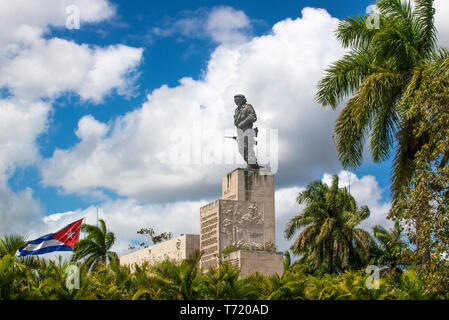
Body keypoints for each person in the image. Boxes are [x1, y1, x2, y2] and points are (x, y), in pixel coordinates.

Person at [233, 94, 260, 169]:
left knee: (247, 147)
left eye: (237, 99)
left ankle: (252, 164)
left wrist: (242, 123)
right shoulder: (236, 110)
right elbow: (235, 121)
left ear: (242, 99)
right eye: (234, 100)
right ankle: (252, 164)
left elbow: (253, 116)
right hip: (239, 131)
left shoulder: (248, 107)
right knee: (241, 149)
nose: (235, 101)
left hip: (247, 130)